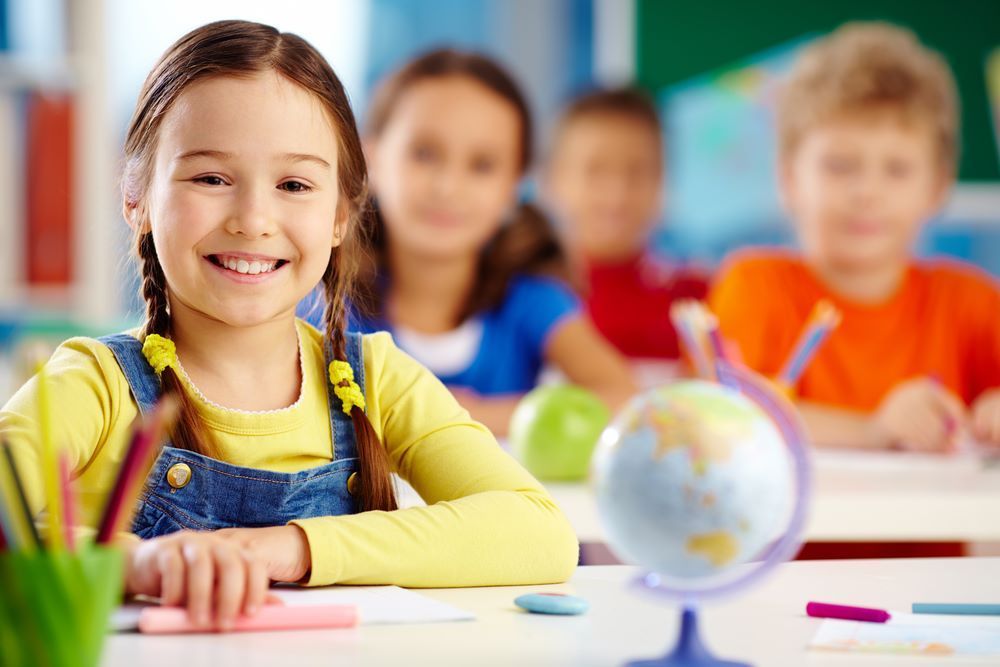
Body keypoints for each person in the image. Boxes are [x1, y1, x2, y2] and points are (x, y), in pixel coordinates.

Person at [0, 21, 578, 631]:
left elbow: (538, 530)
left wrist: (294, 548)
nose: (254, 219)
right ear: (136, 197)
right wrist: (142, 563)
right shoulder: (95, 383)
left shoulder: (376, 378)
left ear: (340, 215)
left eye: (294, 185)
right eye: (211, 178)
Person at [710, 22, 1000, 451]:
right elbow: (724, 415)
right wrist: (874, 430)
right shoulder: (754, 286)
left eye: (897, 169)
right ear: (789, 178)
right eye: (840, 165)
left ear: (937, 187)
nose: (867, 192)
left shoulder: (970, 303)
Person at [326, 49, 635, 435]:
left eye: (482, 165)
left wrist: (471, 416)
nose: (448, 187)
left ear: (513, 188)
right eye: (424, 154)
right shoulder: (326, 304)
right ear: (371, 159)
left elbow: (621, 396)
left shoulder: (533, 301)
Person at [543, 88, 708, 360]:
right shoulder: (520, 296)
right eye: (595, 170)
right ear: (553, 180)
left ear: (663, 179)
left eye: (638, 170)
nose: (617, 194)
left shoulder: (697, 302)